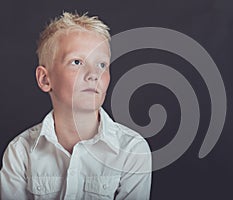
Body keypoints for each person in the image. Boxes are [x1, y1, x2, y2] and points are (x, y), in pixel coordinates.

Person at [0, 12, 152, 200]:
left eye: (102, 64)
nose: (93, 74)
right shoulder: (20, 153)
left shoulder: (132, 151)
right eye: (77, 62)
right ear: (45, 79)